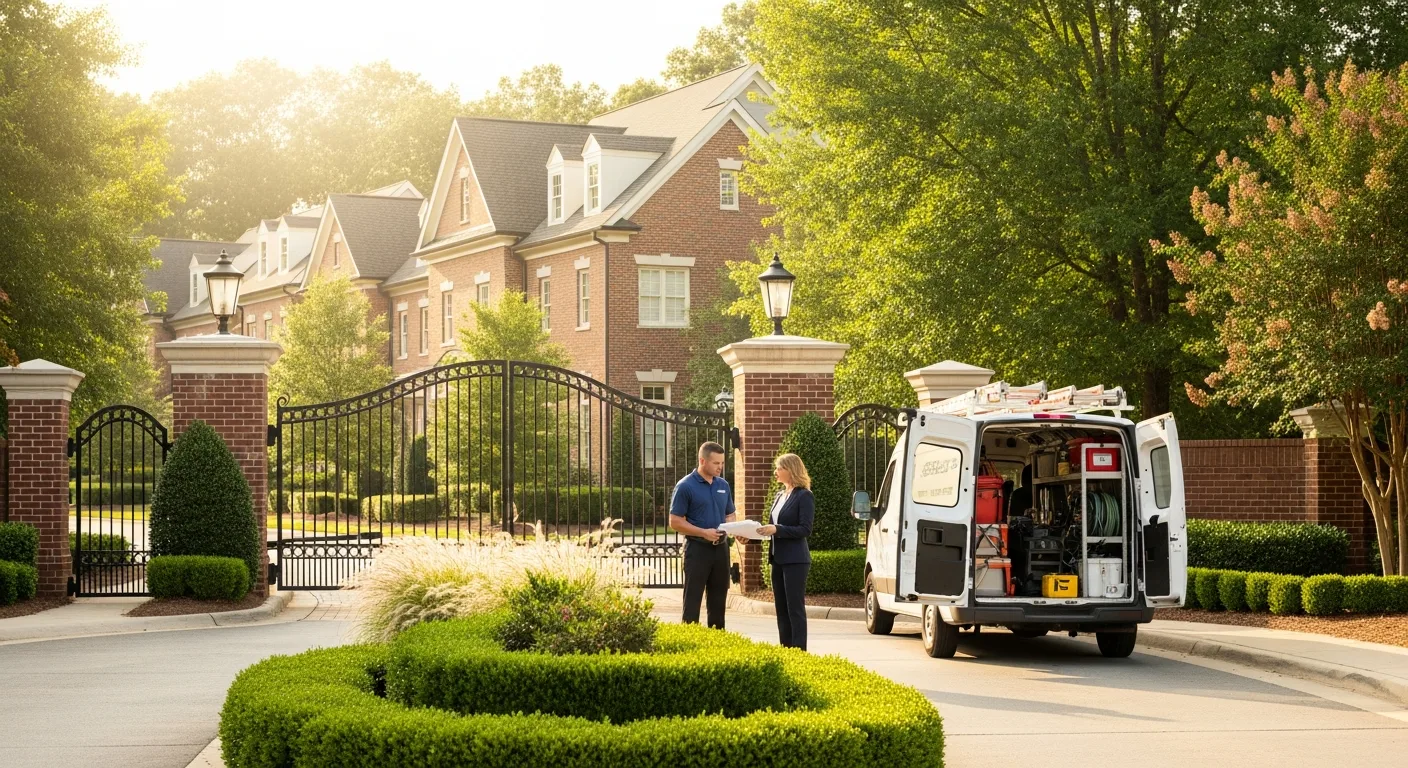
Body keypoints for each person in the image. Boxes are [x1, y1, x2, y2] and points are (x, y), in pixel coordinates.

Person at [669, 441, 739, 629]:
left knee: (718, 602)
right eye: (716, 463)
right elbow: (675, 521)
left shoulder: (723, 485)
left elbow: (729, 514)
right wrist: (703, 533)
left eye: (722, 463)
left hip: (721, 550)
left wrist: (735, 529)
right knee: (692, 601)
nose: (720, 467)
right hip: (697, 549)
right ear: (702, 460)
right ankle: (690, 644)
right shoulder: (685, 486)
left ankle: (716, 645)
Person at [759, 453, 814, 651]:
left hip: (796, 560)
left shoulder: (804, 496)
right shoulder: (779, 495)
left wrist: (778, 529)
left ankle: (799, 651)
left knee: (795, 608)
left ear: (790, 470)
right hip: (777, 559)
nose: (775, 472)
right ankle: (786, 649)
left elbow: (805, 529)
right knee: (781, 608)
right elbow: (774, 526)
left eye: (779, 468)